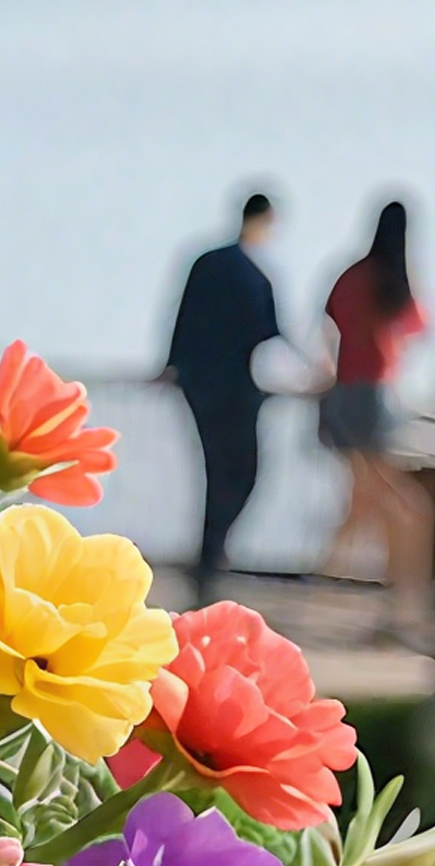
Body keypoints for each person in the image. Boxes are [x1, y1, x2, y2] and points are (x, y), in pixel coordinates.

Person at [317, 201, 433, 638]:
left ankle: (325, 586)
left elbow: (329, 323)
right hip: (377, 396)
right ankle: (404, 604)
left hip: (346, 393)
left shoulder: (352, 275)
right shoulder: (396, 282)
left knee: (363, 501)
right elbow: (421, 326)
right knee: (407, 508)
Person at [164, 191, 283, 601]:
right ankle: (212, 553)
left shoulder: (207, 263)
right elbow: (271, 334)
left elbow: (181, 318)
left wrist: (171, 365)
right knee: (243, 473)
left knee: (216, 472)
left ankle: (209, 554)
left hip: (198, 383)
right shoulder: (254, 276)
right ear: (266, 220)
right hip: (236, 387)